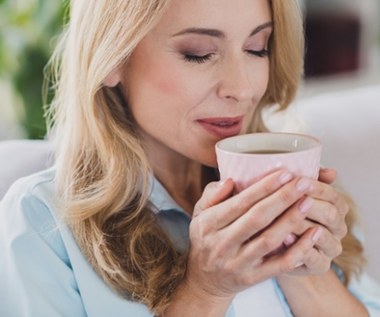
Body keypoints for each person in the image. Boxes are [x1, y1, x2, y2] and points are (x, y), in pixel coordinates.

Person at [0, 0, 379, 316]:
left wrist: (302, 269)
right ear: (113, 57)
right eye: (198, 54)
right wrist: (205, 291)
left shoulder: (297, 185)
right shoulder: (41, 222)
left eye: (257, 48)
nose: (241, 88)